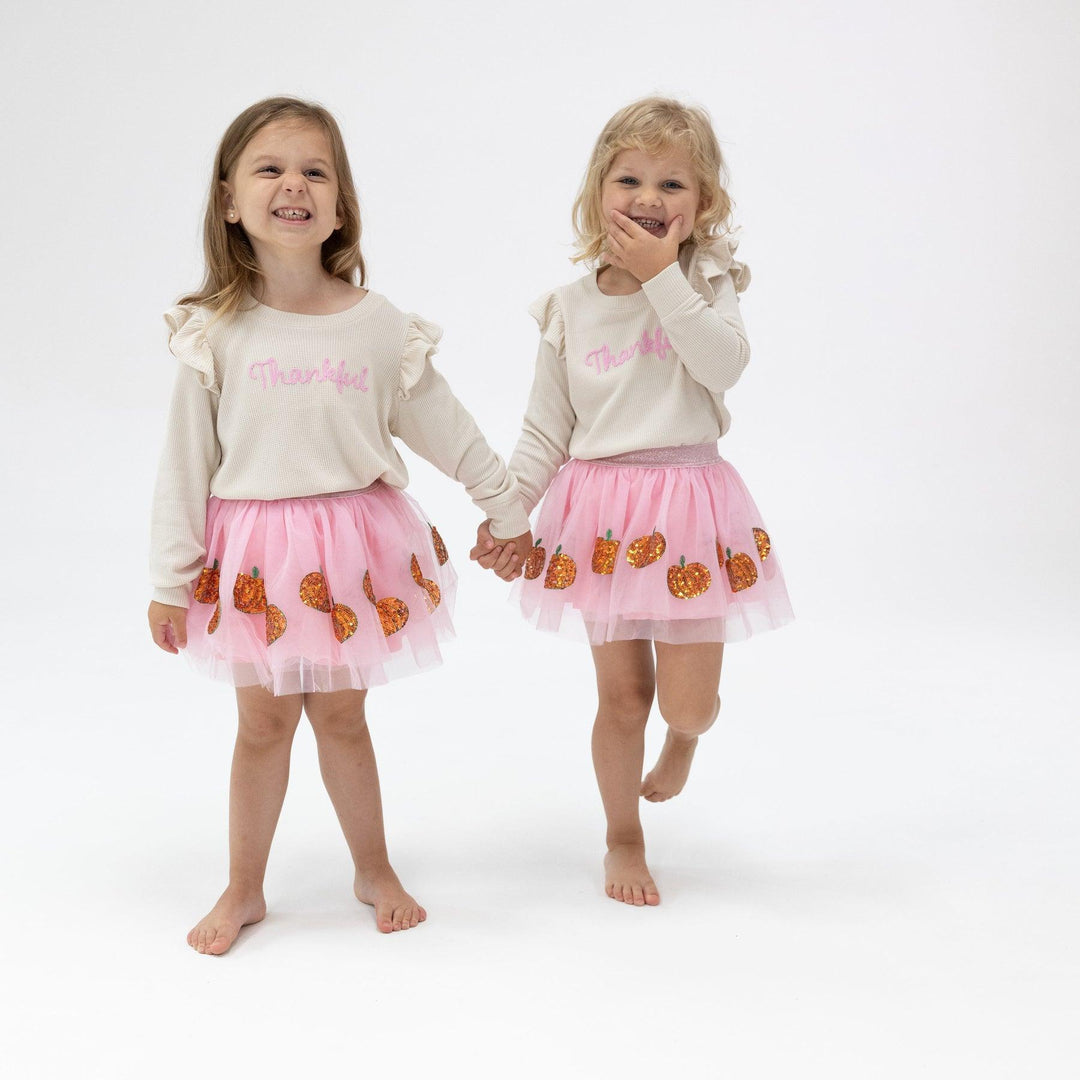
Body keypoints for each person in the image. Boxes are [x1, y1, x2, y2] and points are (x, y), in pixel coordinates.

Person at [148, 96, 530, 954]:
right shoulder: (214, 332)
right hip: (255, 560)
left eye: (315, 170)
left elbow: (446, 426)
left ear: (341, 202)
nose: (294, 185)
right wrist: (169, 580)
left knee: (345, 719)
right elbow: (183, 466)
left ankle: (373, 866)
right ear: (229, 201)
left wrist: (505, 506)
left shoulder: (377, 325)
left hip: (353, 553)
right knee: (261, 726)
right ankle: (245, 887)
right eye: (270, 169)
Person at [473, 97, 793, 907]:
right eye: (630, 179)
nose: (649, 197)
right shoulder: (569, 309)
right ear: (597, 194)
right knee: (622, 698)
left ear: (704, 204)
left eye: (672, 183)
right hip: (602, 516)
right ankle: (622, 835)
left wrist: (663, 280)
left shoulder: (707, 280)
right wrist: (510, 516)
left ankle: (686, 737)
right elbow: (546, 430)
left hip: (688, 508)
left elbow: (723, 367)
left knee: (685, 701)